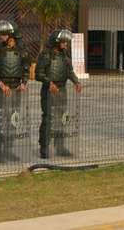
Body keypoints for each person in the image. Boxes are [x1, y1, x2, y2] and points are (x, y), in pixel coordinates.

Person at [36, 29, 83, 159]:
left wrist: (76, 82)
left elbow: (70, 72)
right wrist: (49, 83)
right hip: (49, 91)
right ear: (57, 42)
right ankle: (44, 147)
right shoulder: (45, 55)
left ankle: (60, 147)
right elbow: (38, 74)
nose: (66, 44)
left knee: (62, 118)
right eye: (64, 42)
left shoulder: (65, 56)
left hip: (62, 90)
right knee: (48, 118)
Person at [0, 31, 30, 162]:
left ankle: (8, 150)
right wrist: (0, 83)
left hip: (16, 89)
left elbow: (26, 68)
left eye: (6, 35)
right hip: (1, 89)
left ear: (13, 38)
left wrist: (24, 82)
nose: (3, 37)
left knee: (13, 119)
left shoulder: (21, 50)